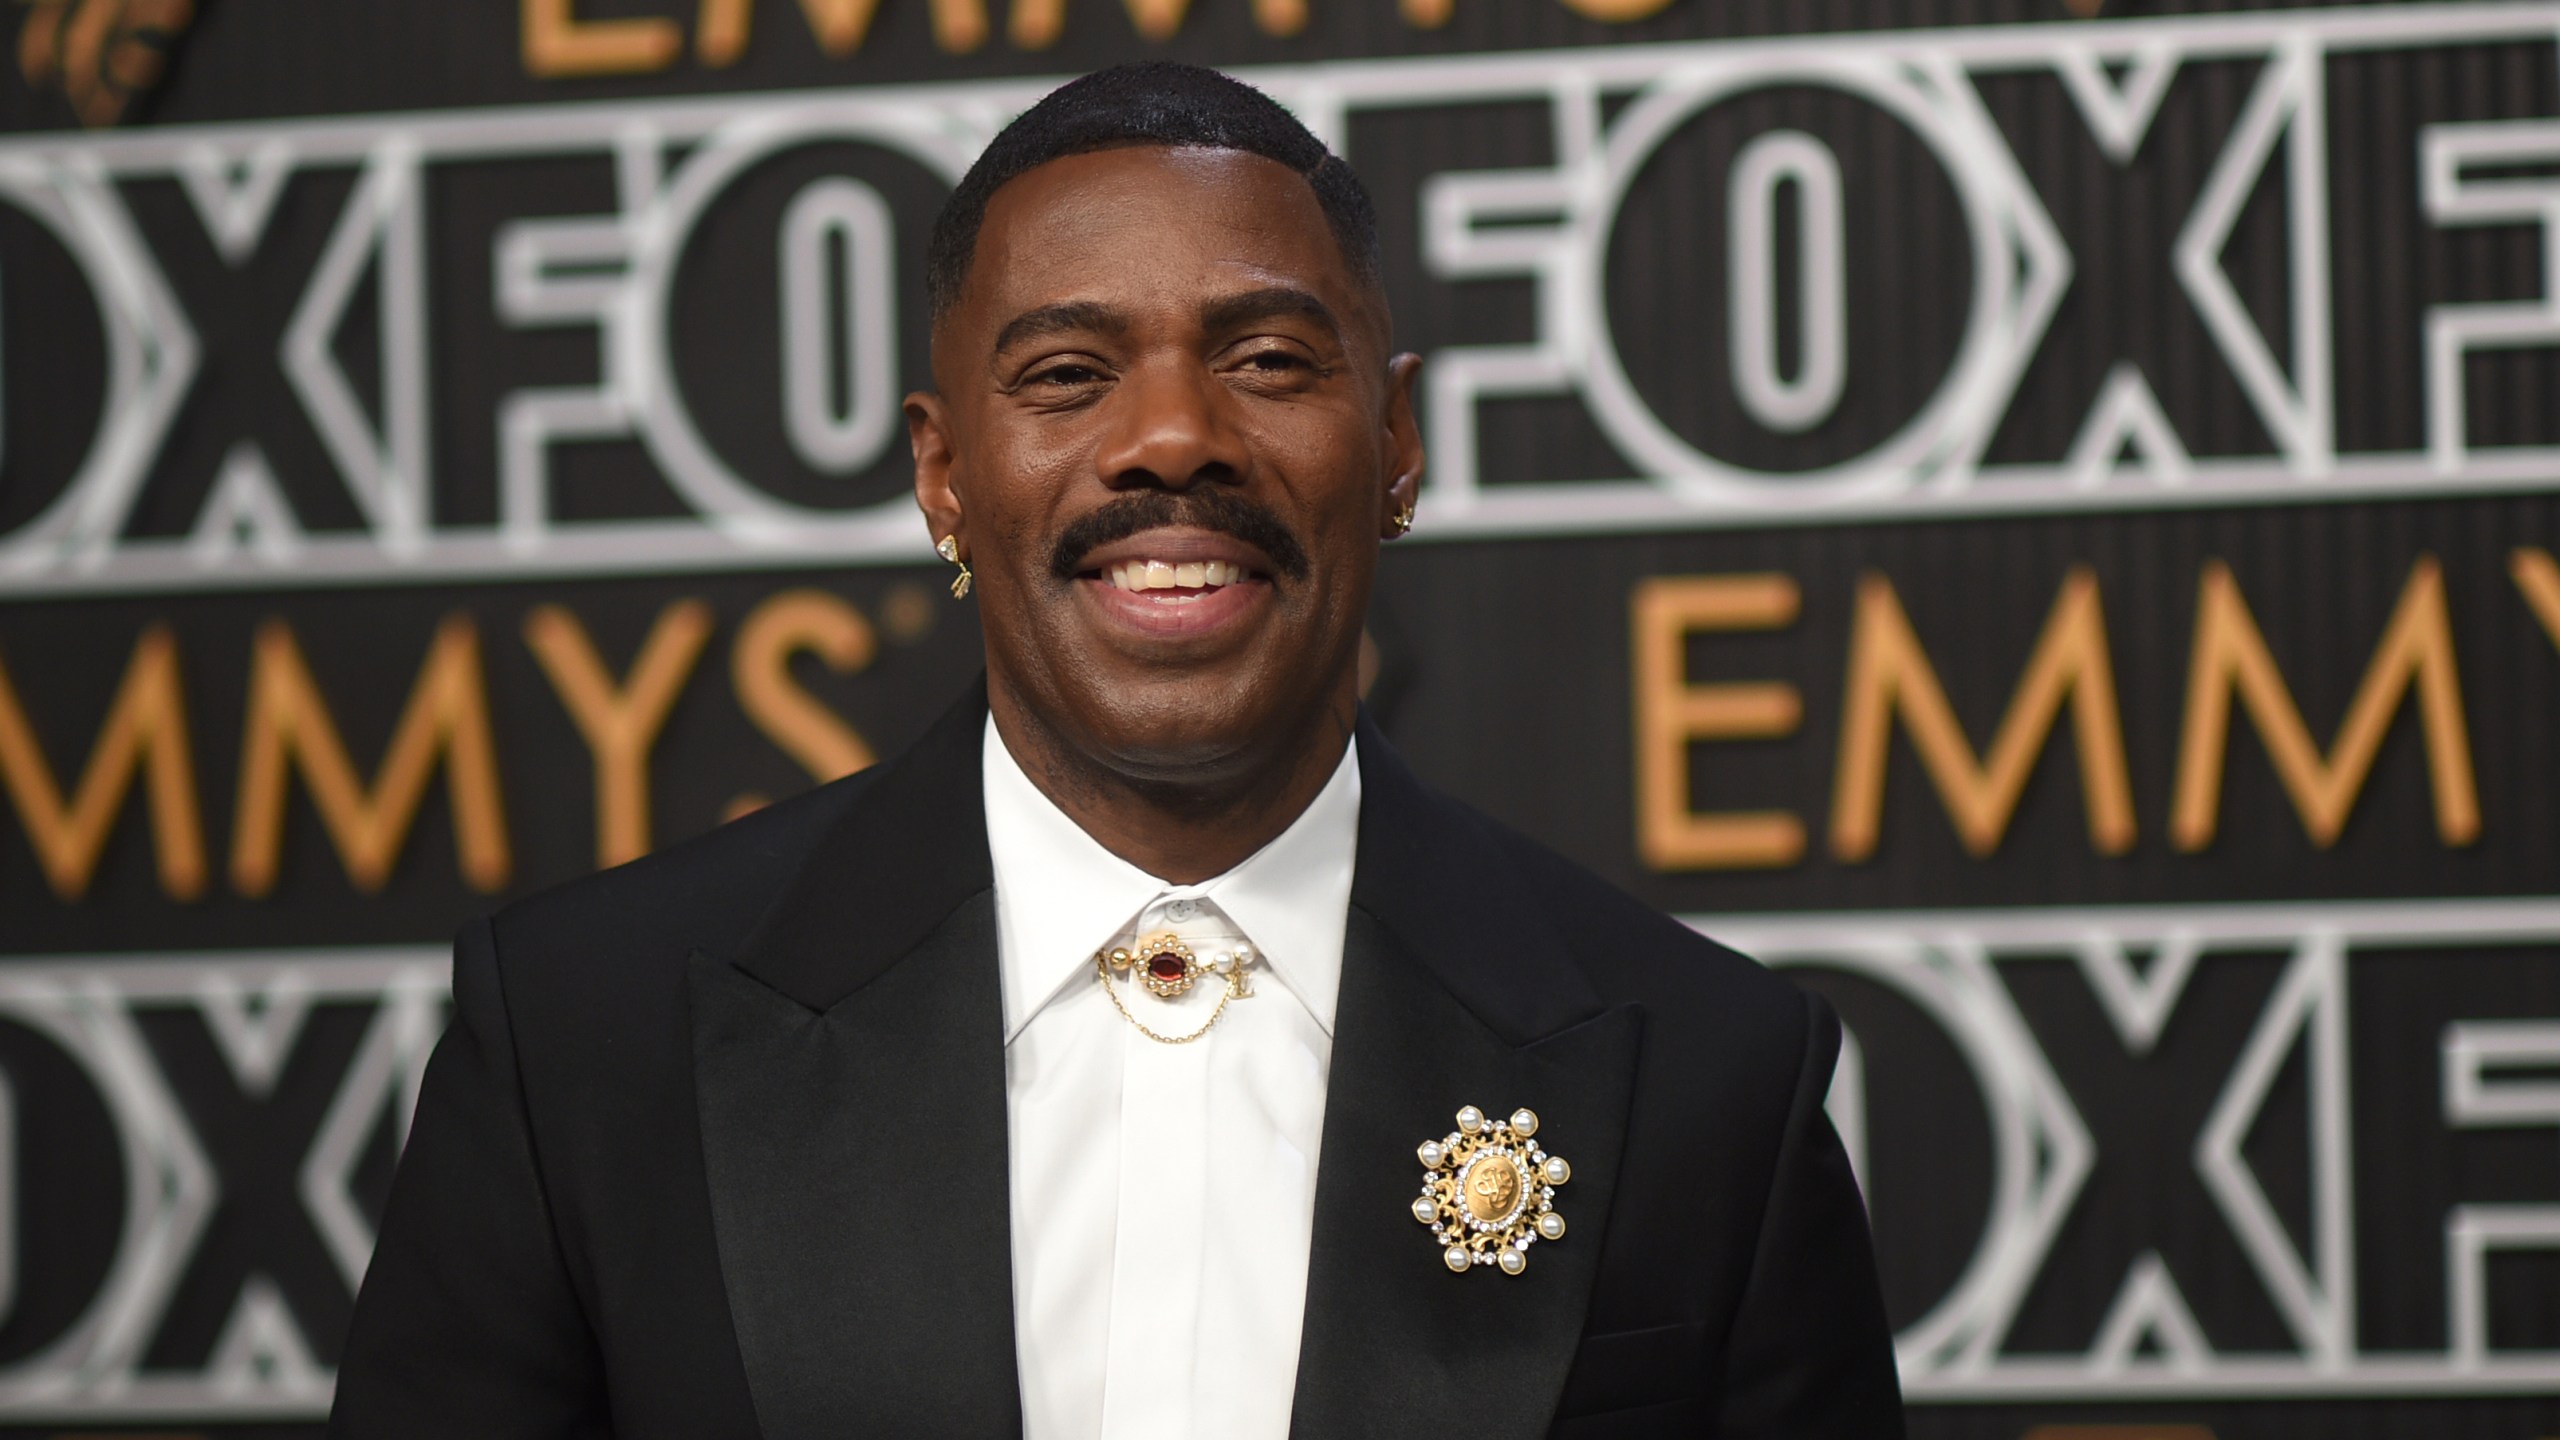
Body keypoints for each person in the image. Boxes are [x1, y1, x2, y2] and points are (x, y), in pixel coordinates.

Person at [328, 61, 1904, 1440]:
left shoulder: (1712, 1077)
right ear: (943, 475)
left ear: (1397, 447)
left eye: (1271, 361)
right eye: (1069, 374)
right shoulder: (585, 1045)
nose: (1173, 438)